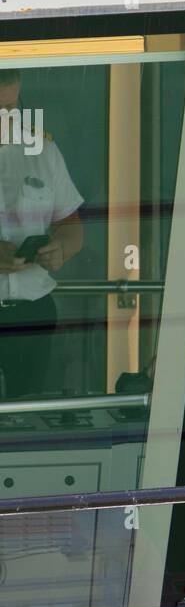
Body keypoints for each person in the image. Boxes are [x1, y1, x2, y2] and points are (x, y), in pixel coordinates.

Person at [0, 71, 84, 399]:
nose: (6, 117)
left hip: (32, 309)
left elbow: (71, 226)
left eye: (11, 106)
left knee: (28, 413)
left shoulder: (43, 153)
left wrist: (60, 249)